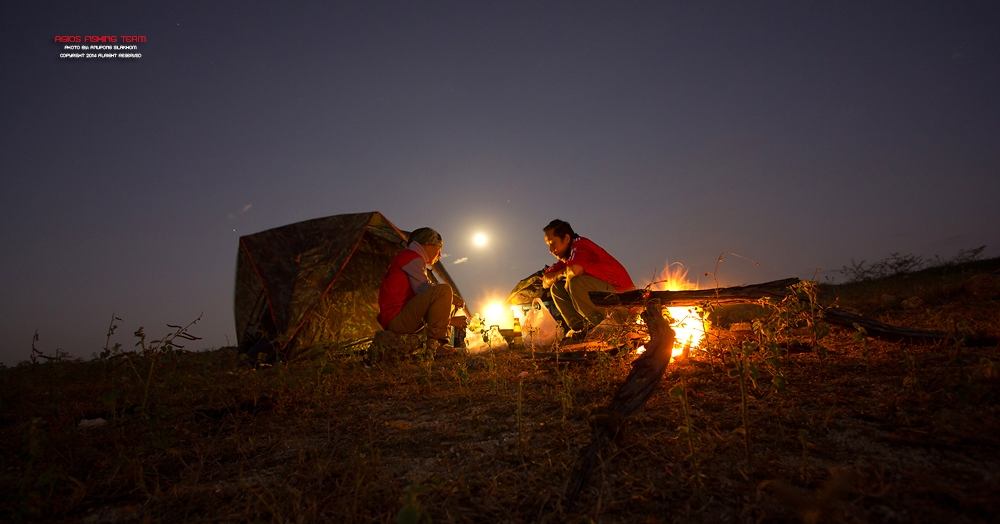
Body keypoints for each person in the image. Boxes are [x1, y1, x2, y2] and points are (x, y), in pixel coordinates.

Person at [541, 219, 635, 339]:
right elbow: (545, 282)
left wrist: (566, 275)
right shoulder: (566, 258)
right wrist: (562, 273)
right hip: (609, 298)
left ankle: (609, 326)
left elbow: (575, 270)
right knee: (557, 287)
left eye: (553, 243)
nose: (550, 250)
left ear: (566, 238)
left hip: (625, 301)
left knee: (576, 282)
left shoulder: (580, 245)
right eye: (548, 245)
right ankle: (582, 328)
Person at [378, 227, 466, 353]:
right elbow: (424, 289)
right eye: (439, 249)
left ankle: (438, 343)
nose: (440, 255)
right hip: (397, 319)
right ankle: (438, 344)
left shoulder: (410, 258)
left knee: (445, 295)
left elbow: (422, 300)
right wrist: (452, 299)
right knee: (444, 290)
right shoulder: (411, 258)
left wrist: (449, 319)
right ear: (428, 245)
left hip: (398, 318)